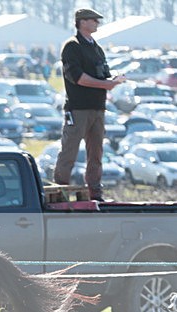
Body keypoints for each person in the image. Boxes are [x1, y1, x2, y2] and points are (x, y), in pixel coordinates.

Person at [53, 8, 126, 202]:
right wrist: (106, 84)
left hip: (97, 108)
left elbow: (102, 73)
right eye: (94, 20)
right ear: (82, 22)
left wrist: (114, 79)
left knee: (96, 153)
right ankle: (59, 194)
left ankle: (95, 192)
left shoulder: (97, 48)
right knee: (69, 151)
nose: (97, 23)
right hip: (78, 109)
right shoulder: (72, 46)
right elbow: (77, 77)